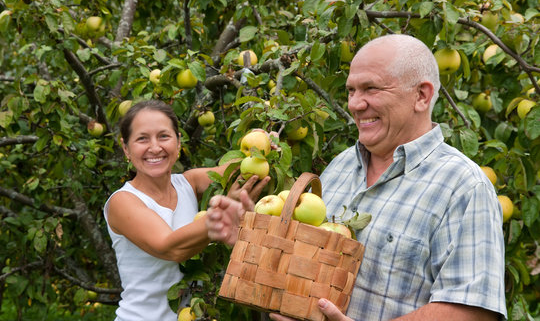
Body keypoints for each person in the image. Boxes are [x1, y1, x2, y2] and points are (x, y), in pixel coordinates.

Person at [206, 34, 507, 321]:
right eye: (351, 90)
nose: (354, 104)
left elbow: (473, 311)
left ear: (421, 95)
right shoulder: (341, 167)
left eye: (371, 89)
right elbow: (304, 270)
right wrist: (252, 242)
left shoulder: (463, 186)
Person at [103, 99, 269, 321]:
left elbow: (238, 169)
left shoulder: (188, 183)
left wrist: (262, 144)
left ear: (178, 142)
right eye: (142, 139)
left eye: (164, 136)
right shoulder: (123, 202)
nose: (154, 147)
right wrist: (217, 219)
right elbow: (171, 248)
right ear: (126, 149)